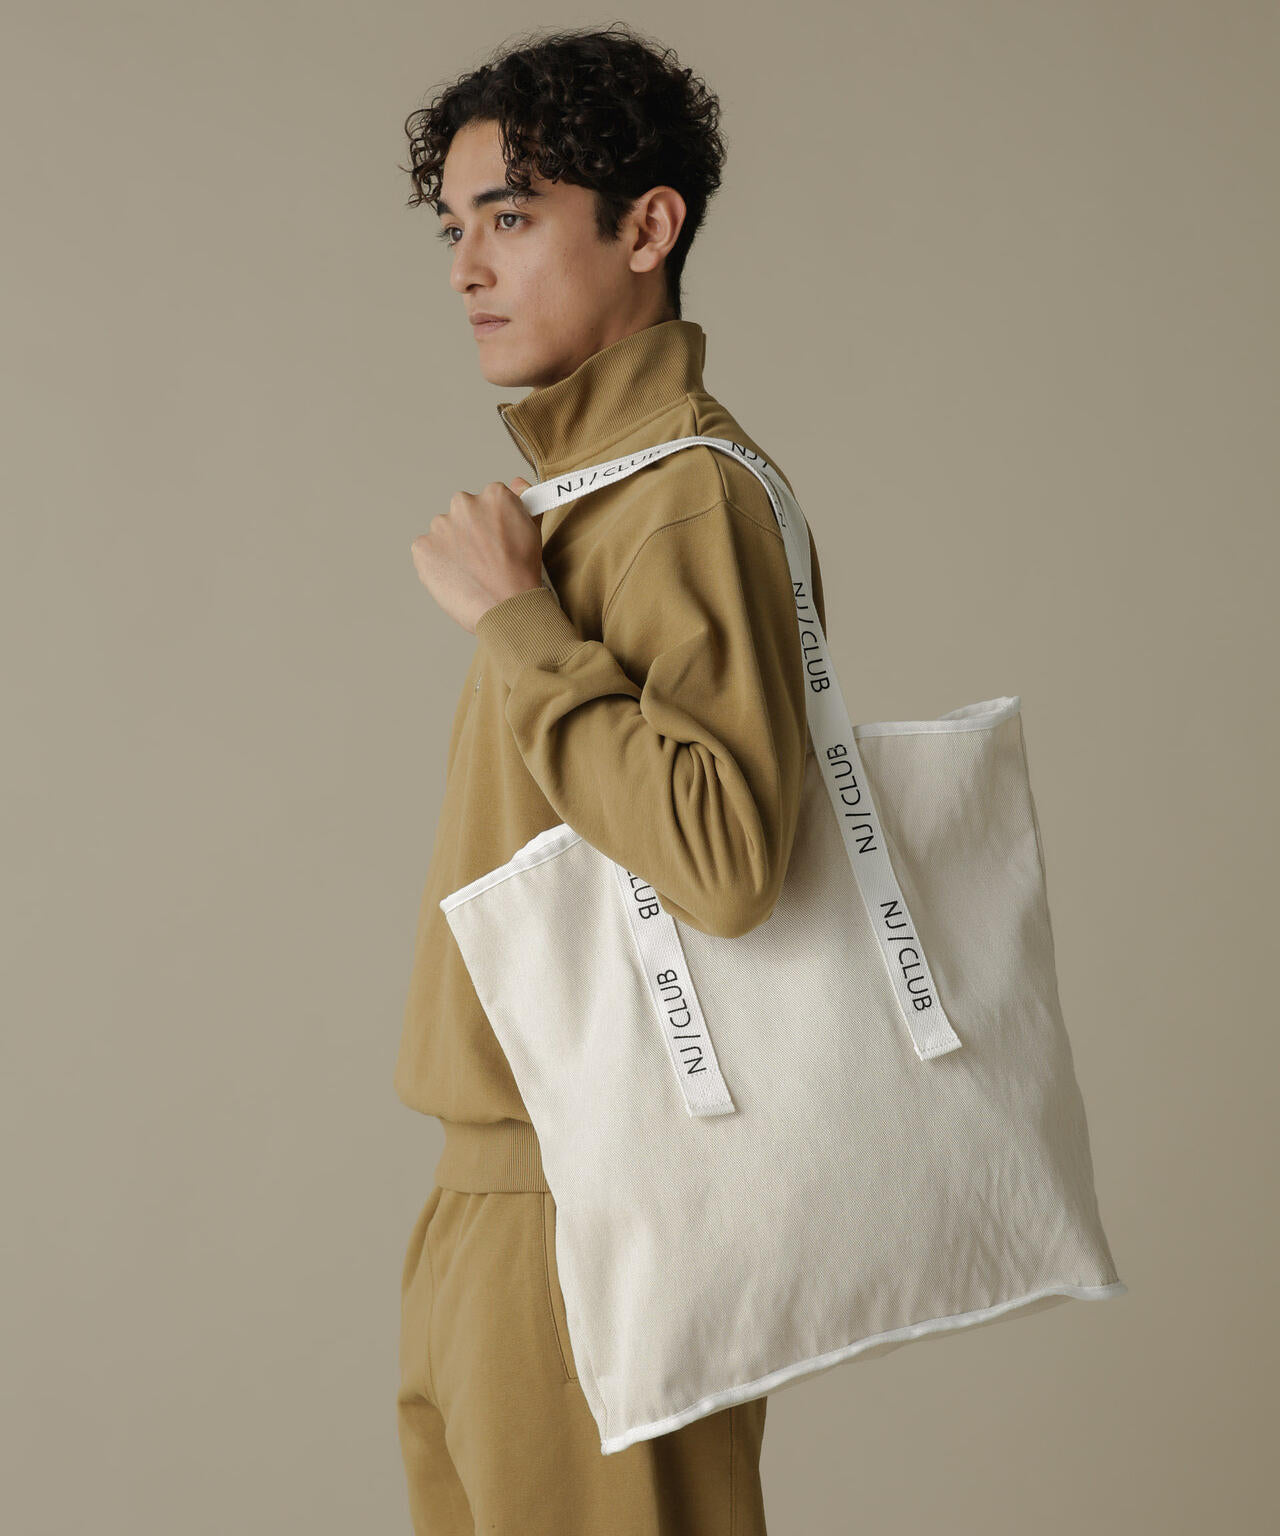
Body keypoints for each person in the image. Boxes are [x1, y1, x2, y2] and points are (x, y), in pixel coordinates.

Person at [395, 22, 826, 1534]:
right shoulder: (582, 504)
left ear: (648, 228)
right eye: (455, 229)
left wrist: (521, 626)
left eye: (511, 217)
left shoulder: (682, 498)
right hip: (490, 1195)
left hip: (595, 1198)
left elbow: (723, 856)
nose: (468, 268)